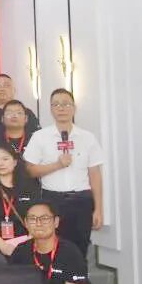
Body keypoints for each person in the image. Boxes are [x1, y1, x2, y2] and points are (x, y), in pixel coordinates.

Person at [24, 89, 104, 257]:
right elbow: (30, 170)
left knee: (80, 248)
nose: (61, 108)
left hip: (82, 200)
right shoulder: (40, 137)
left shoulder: (87, 137)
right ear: (51, 109)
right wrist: (57, 165)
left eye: (66, 104)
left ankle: (79, 274)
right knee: (53, 247)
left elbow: (95, 175)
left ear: (74, 108)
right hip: (53, 200)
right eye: (56, 104)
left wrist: (98, 209)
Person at [0, 145, 40, 262]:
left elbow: (37, 215)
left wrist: (31, 239)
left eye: (5, 159)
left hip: (27, 244)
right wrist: (3, 246)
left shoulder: (29, 186)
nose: (0, 163)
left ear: (15, 162)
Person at [0, 73, 41, 137]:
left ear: (14, 90)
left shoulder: (26, 113)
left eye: (6, 85)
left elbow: (38, 136)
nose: (2, 89)